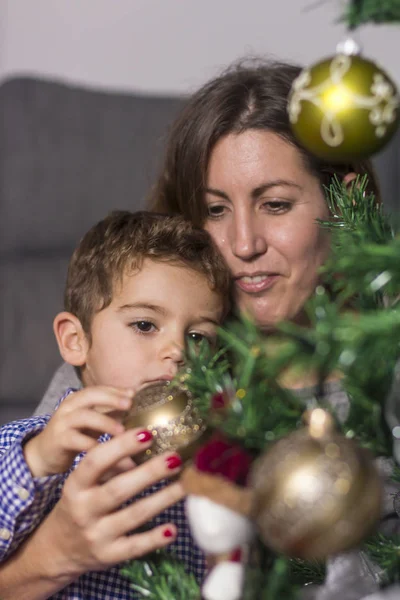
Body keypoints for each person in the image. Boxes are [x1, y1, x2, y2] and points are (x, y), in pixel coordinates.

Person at [0, 58, 386, 599]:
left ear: (347, 203)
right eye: (215, 210)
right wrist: (54, 555)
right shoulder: (128, 352)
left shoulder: (380, 375)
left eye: (275, 204)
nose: (244, 244)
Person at [0, 210, 230, 599]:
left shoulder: (206, 463)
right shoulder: (31, 446)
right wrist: (40, 459)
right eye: (144, 325)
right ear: (75, 340)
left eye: (197, 337)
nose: (177, 351)